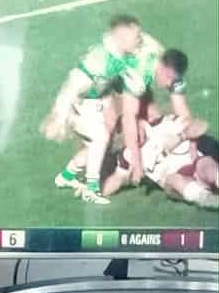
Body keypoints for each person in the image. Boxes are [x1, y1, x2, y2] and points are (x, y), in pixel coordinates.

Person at [43, 14, 164, 200]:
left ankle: (67, 176)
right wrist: (59, 118)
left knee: (98, 146)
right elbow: (72, 86)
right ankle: (92, 189)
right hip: (79, 104)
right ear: (121, 37)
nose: (139, 39)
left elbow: (147, 45)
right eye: (136, 36)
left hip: (95, 103)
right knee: (100, 137)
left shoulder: (122, 49)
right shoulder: (99, 60)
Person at [96, 50, 219, 208]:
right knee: (174, 180)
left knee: (206, 165)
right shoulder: (128, 156)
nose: (132, 134)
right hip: (174, 181)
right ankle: (209, 200)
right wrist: (94, 188)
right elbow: (115, 181)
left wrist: (180, 137)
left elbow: (201, 125)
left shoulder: (163, 124)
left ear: (140, 122)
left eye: (132, 128)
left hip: (195, 163)